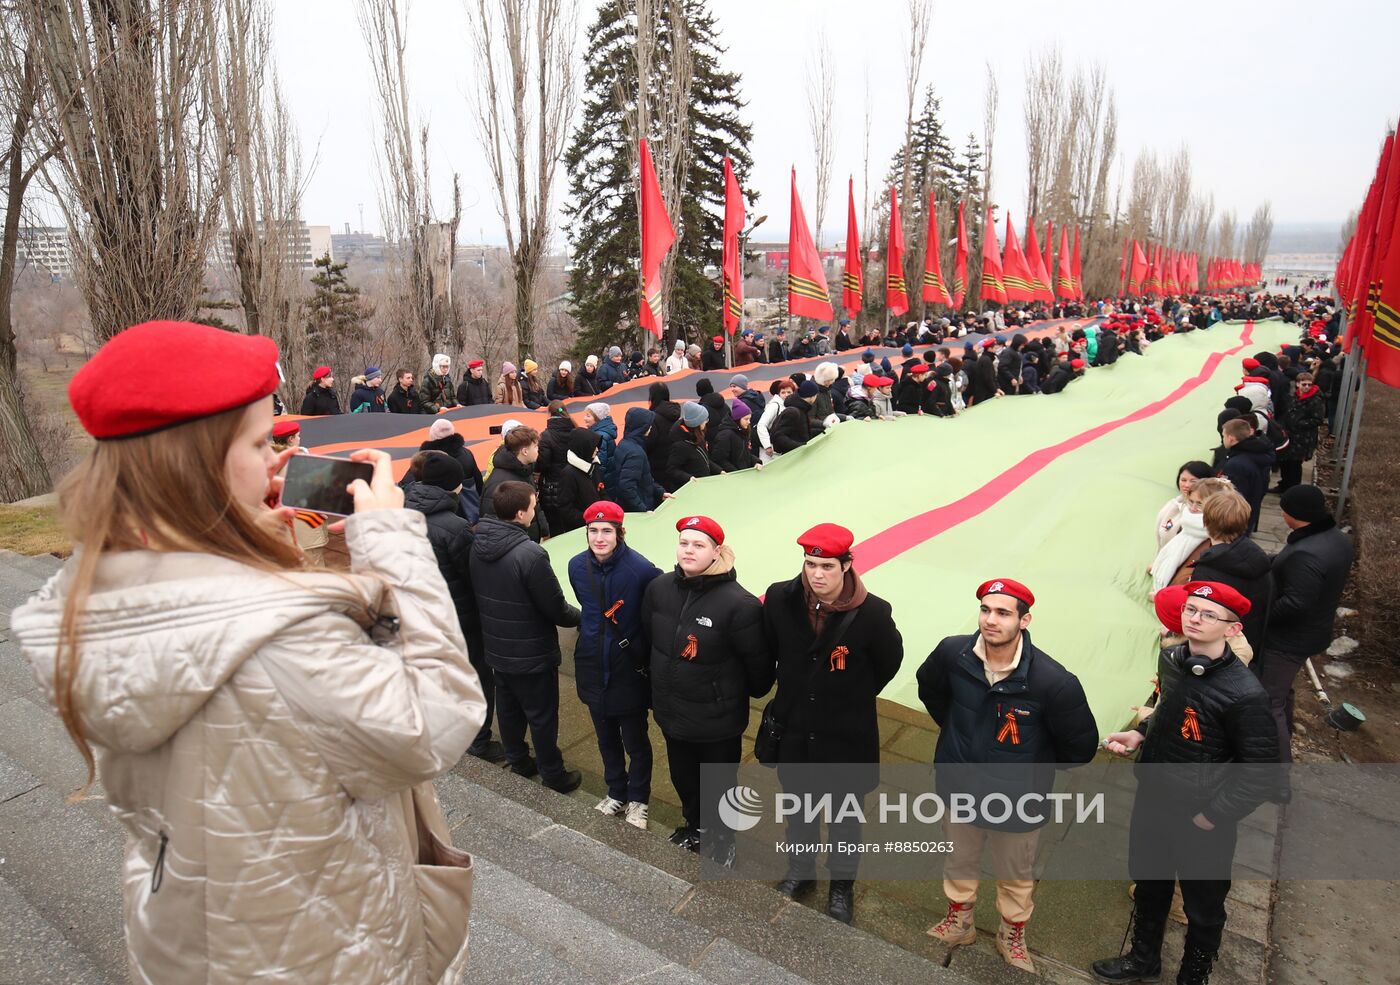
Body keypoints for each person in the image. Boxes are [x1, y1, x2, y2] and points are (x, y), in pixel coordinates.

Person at [12, 320, 485, 983]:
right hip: (327, 945)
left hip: (199, 931)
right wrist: (391, 538)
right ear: (200, 464)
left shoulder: (100, 589)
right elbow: (440, 715)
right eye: (261, 442)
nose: (278, 461)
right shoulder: (280, 642)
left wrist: (263, 541)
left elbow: (226, 639)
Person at [1096, 582, 1278, 985]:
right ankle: (1143, 960)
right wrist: (1141, 733)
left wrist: (1213, 816)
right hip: (1154, 798)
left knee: (1203, 906)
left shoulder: (1245, 694)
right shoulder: (1172, 660)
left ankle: (1193, 977)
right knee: (1149, 884)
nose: (1195, 618)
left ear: (1232, 629)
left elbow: (1262, 771)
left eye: (1209, 614)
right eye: (1191, 609)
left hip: (1202, 816)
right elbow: (1169, 712)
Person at [918, 579, 1098, 974]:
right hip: (959, 786)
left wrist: (1027, 766)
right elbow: (930, 690)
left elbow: (1079, 748)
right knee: (959, 859)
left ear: (1024, 620)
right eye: (985, 609)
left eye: (1002, 613)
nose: (990, 620)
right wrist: (958, 736)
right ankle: (960, 922)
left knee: (1016, 874)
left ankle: (1010, 935)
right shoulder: (953, 653)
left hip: (1018, 800)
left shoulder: (1054, 682)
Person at [763, 523, 902, 923]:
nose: (817, 574)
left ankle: (841, 885)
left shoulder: (873, 613)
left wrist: (847, 695)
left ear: (846, 565)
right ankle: (801, 870)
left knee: (845, 819)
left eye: (826, 566)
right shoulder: (779, 598)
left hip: (846, 737)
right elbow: (772, 648)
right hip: (795, 731)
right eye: (810, 565)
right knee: (799, 811)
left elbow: (888, 663)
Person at [641, 515, 771, 854]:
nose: (688, 550)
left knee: (719, 786)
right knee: (684, 778)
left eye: (698, 545)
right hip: (673, 714)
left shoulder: (740, 605)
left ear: (717, 551)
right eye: (684, 543)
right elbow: (650, 641)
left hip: (716, 723)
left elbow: (759, 672)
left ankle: (723, 841)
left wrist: (722, 695)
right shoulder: (659, 588)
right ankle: (695, 827)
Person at [470, 480, 583, 792]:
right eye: (534, 506)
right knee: (542, 716)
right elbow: (555, 607)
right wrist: (582, 617)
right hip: (531, 653)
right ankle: (553, 774)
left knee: (508, 711)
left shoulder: (477, 543)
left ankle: (519, 760)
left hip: (497, 647)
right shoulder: (530, 555)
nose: (536, 510)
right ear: (521, 514)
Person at [567, 502, 663, 829]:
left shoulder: (642, 570)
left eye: (606, 531)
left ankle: (638, 799)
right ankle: (616, 792)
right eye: (593, 531)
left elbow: (653, 614)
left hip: (627, 670)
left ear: (620, 533)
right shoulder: (576, 566)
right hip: (592, 666)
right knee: (605, 738)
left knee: (635, 741)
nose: (599, 538)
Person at [404, 450, 503, 763]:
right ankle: (478, 740)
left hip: (421, 613)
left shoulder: (403, 513)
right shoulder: (454, 526)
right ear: (452, 485)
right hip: (459, 617)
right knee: (476, 676)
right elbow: (471, 574)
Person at [1255, 485, 1353, 763]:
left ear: (1293, 515)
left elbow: (1295, 603)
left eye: (1284, 511)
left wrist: (1260, 613)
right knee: (1282, 691)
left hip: (1288, 641)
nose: (1282, 515)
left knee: (1269, 700)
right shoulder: (1336, 539)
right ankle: (1284, 736)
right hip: (1313, 632)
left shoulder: (1306, 553)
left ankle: (1277, 768)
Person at [1192, 490, 1271, 659]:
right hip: (1249, 642)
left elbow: (1201, 621)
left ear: (1206, 521)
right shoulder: (1256, 556)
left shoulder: (1207, 571)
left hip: (1218, 652)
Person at [481, 424, 549, 543]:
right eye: (535, 446)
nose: (538, 450)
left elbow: (535, 504)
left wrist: (544, 529)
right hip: (517, 545)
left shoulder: (525, 470)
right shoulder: (498, 484)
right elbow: (493, 524)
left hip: (527, 541)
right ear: (525, 451)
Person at [419, 417, 485, 523]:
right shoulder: (467, 453)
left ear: (432, 435)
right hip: (468, 511)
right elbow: (478, 482)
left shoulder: (427, 460)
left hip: (439, 515)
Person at [1218, 418, 1274, 533]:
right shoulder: (1258, 454)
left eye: (1223, 436)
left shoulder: (1236, 465)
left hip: (1235, 522)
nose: (1223, 439)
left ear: (1231, 438)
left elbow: (1234, 496)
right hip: (1250, 513)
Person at [547, 428, 603, 535]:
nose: (597, 449)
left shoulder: (593, 467)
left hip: (597, 524)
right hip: (580, 530)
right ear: (583, 447)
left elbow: (602, 491)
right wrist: (590, 518)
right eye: (593, 446)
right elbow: (565, 509)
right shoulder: (568, 474)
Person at [615, 408, 670, 513]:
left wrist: (660, 492)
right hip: (638, 508)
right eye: (649, 425)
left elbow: (643, 478)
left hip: (629, 505)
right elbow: (627, 486)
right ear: (642, 427)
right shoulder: (636, 453)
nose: (651, 427)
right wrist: (643, 510)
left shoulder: (624, 443)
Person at [1277, 372, 1324, 492]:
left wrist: (1299, 423)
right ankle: (1284, 485)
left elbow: (1318, 419)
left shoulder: (1315, 400)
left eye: (1309, 384)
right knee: (1285, 461)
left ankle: (1292, 489)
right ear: (1298, 384)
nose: (1307, 387)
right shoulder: (1294, 397)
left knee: (1295, 464)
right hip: (1290, 435)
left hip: (1303, 437)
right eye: (1304, 384)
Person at [1156, 462, 1217, 550]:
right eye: (1183, 480)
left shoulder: (1211, 514)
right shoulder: (1173, 506)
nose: (1186, 485)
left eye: (1193, 481)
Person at [664, 401, 721, 491]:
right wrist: (688, 477)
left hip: (702, 485)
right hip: (690, 489)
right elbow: (672, 469)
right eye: (704, 420)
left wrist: (719, 470)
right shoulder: (680, 445)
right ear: (696, 423)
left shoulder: (699, 436)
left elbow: (704, 459)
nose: (706, 422)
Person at [645, 382, 682, 479]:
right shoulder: (676, 414)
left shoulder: (652, 418)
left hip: (657, 468)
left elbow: (648, 444)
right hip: (675, 465)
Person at [771, 380, 818, 453]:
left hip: (798, 454)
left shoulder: (802, 408)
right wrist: (801, 446)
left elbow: (801, 432)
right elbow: (779, 436)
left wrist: (821, 430)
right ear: (812, 396)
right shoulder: (794, 412)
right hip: (794, 455)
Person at [710, 401, 758, 472]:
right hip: (733, 475)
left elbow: (745, 453)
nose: (749, 422)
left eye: (749, 419)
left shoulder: (743, 431)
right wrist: (736, 472)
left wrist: (756, 462)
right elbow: (719, 459)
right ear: (737, 419)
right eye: (746, 419)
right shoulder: (725, 435)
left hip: (743, 473)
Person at [583, 401, 619, 496]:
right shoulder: (601, 432)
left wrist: (595, 481)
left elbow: (600, 463)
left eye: (588, 416)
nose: (584, 418)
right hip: (609, 478)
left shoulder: (599, 436)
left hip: (604, 482)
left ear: (597, 418)